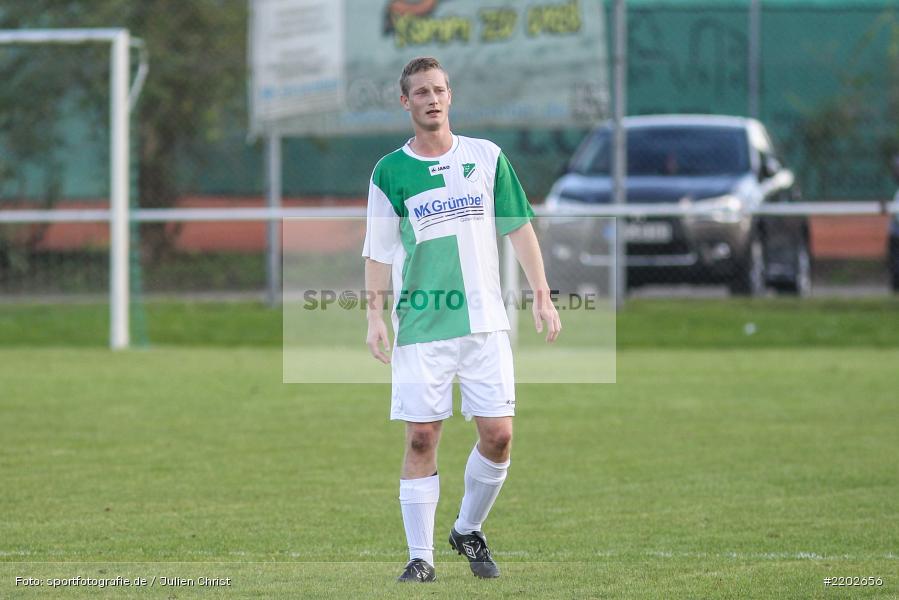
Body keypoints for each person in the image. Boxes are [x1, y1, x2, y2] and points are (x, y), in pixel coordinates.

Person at [362, 56, 561, 583]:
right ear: (405, 102)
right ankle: (420, 557)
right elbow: (378, 253)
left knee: (498, 436)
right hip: (422, 327)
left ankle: (467, 528)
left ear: (451, 96)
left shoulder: (487, 157)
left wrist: (542, 293)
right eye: (421, 92)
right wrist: (374, 316)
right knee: (422, 437)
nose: (432, 98)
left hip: (484, 324)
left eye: (439, 89)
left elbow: (518, 227)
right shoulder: (389, 172)